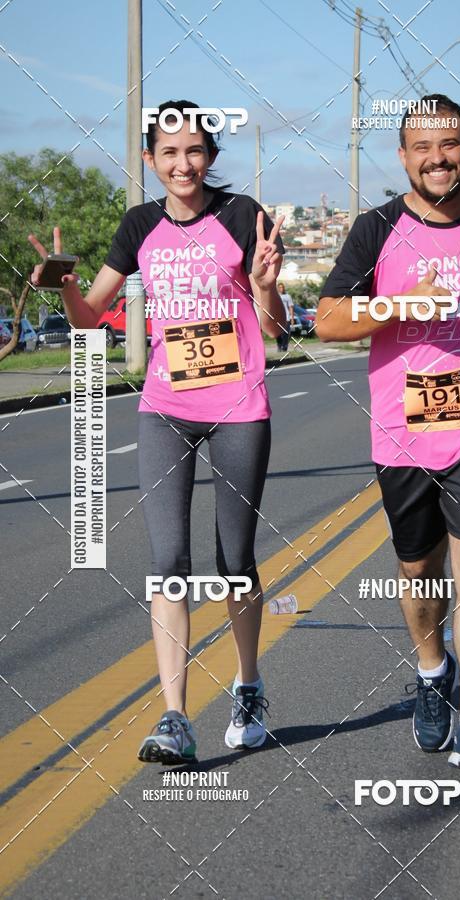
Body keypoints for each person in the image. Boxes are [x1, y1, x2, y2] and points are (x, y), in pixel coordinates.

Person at [29, 99, 286, 765]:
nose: (182, 163)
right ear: (150, 160)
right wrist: (65, 284)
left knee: (235, 564)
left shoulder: (241, 216)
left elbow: (278, 330)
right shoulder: (139, 224)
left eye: (194, 151)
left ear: (210, 156)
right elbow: (89, 320)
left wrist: (265, 285)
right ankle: (174, 717)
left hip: (238, 406)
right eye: (168, 153)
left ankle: (249, 684)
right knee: (167, 562)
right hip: (166, 407)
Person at [317, 94, 460, 771]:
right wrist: (396, 305)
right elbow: (328, 320)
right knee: (420, 570)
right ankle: (431, 669)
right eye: (423, 146)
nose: (437, 158)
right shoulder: (377, 227)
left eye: (449, 145)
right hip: (402, 429)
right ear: (405, 157)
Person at [276, 281, 294, 351]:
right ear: (277, 288)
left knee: (286, 333)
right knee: (278, 334)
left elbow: (291, 307)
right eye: (280, 287)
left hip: (286, 318)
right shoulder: (275, 296)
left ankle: (285, 347)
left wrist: (292, 319)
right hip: (278, 318)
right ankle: (279, 346)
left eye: (282, 287)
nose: (281, 289)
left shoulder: (287, 296)